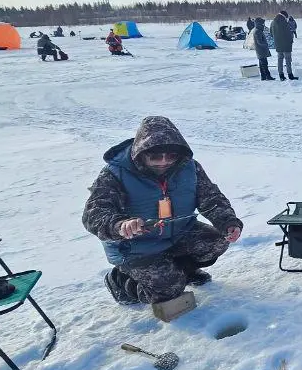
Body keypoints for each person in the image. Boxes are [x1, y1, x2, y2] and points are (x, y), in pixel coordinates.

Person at [82, 116, 243, 305]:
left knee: (216, 242)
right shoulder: (115, 174)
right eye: (156, 156)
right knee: (169, 289)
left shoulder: (190, 167)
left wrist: (228, 223)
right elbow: (94, 213)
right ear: (141, 152)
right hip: (135, 247)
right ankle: (121, 281)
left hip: (178, 233)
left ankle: (182, 272)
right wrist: (120, 225)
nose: (164, 162)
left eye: (171, 155)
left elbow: (212, 198)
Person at [271, 11, 297, 81]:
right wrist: (291, 41)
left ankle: (281, 75)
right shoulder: (284, 22)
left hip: (278, 45)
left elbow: (271, 33)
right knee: (288, 60)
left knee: (280, 60)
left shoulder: (273, 22)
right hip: (286, 45)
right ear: (284, 16)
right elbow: (288, 33)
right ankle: (290, 75)